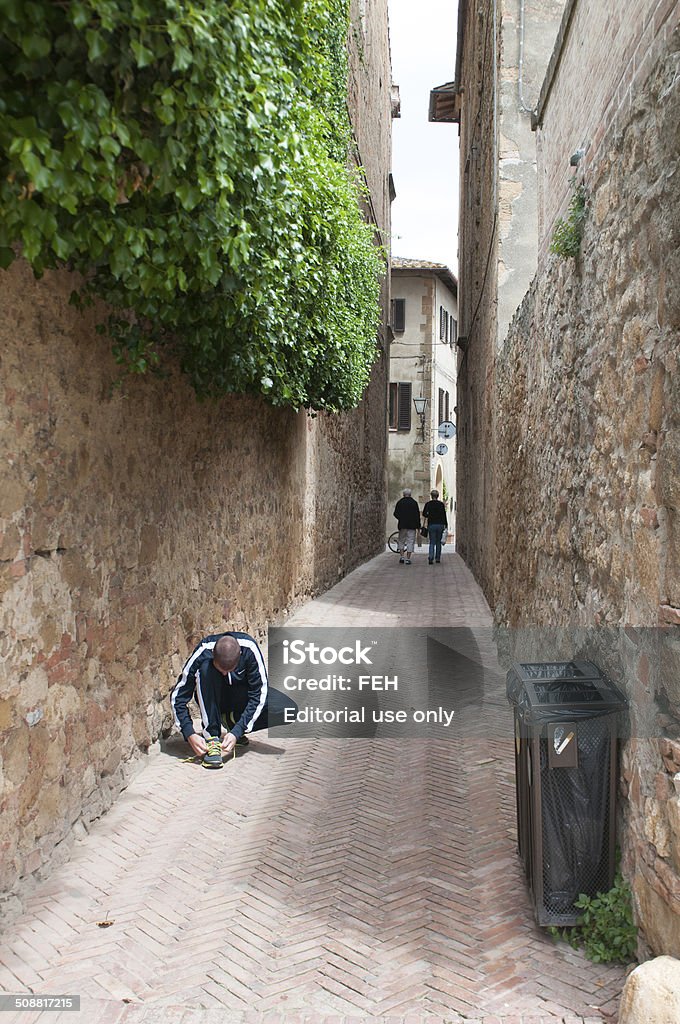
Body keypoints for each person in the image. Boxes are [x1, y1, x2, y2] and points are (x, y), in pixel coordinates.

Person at [170, 630, 296, 769]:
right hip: (213, 699)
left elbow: (259, 692)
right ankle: (212, 738)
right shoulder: (203, 652)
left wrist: (238, 730)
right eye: (221, 670)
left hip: (241, 696)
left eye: (230, 669)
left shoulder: (249, 649)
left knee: (288, 710)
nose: (225, 673)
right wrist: (189, 733)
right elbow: (178, 697)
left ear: (240, 656)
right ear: (213, 654)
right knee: (205, 668)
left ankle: (232, 721)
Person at [393, 488, 421, 565]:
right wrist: (418, 526)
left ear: (403, 494)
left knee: (401, 540)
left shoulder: (400, 502)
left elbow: (395, 513)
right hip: (412, 526)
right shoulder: (414, 503)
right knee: (410, 541)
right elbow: (417, 515)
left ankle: (402, 557)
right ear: (410, 494)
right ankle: (408, 558)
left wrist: (401, 518)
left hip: (402, 525)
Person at [422, 489, 448, 564]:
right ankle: (438, 558)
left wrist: (429, 515)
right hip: (440, 524)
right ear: (438, 496)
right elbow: (444, 515)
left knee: (432, 542)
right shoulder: (441, 504)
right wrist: (445, 524)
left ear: (431, 496)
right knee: (438, 542)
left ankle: (430, 557)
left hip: (432, 524)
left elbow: (424, 514)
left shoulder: (428, 504)